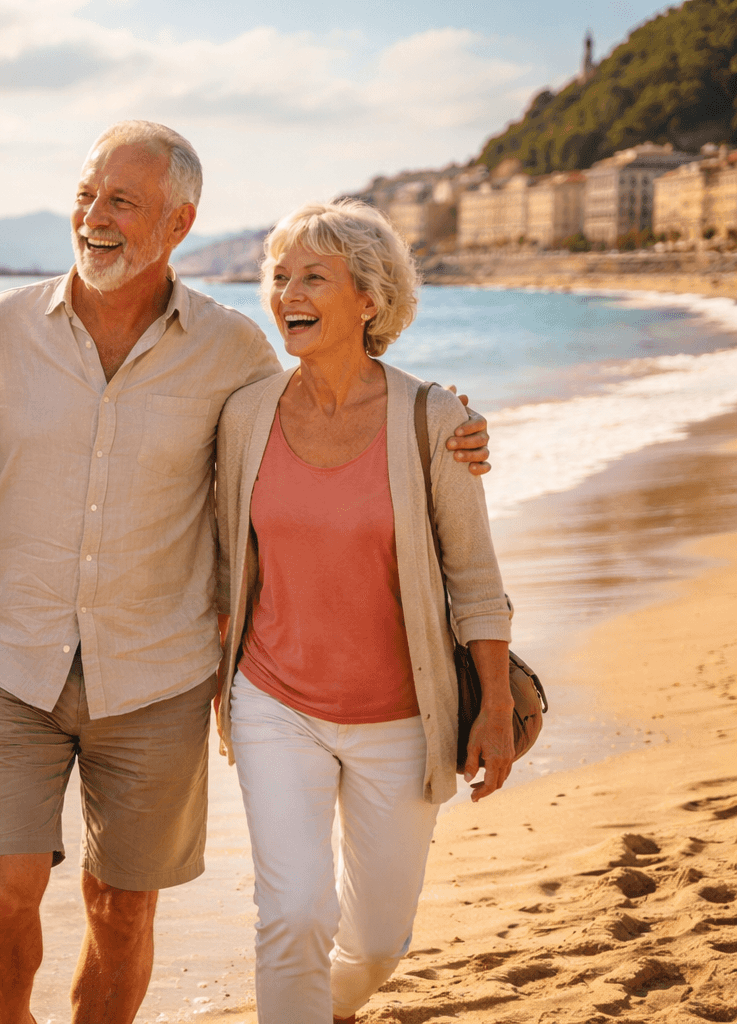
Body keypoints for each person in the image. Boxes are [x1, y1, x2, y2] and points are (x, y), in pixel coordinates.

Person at [0, 121, 494, 1023]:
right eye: (86, 195)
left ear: (179, 222)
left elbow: (330, 406)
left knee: (122, 909)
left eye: (122, 200)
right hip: (10, 659)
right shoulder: (3, 326)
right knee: (1, 896)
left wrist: (448, 426)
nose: (95, 216)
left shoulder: (233, 351)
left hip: (158, 674)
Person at [214, 199, 516, 1024]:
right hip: (274, 701)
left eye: (314, 277)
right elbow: (218, 552)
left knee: (379, 941)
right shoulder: (246, 416)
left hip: (402, 716)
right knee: (292, 914)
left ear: (370, 300)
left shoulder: (435, 420)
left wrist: (494, 707)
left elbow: (475, 579)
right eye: (279, 277)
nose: (287, 294)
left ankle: (331, 1003)